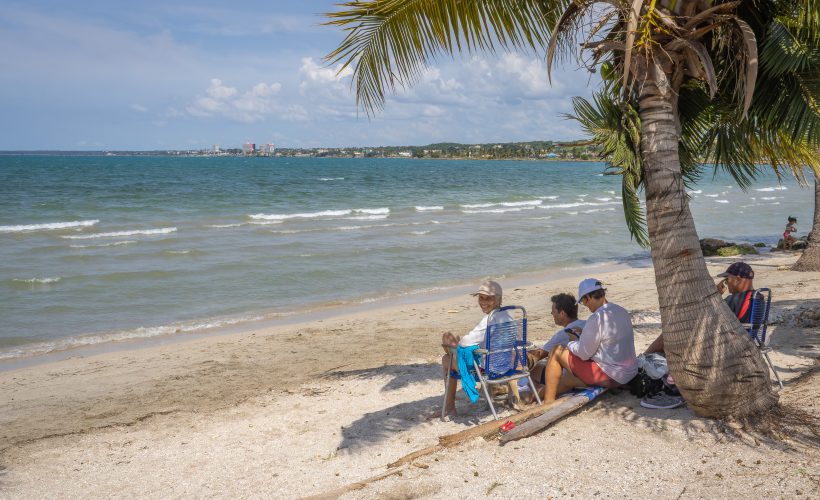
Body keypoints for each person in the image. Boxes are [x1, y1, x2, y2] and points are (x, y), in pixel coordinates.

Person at [542, 279, 638, 402]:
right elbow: (608, 340)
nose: (585, 305)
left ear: (587, 298)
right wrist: (584, 335)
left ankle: (548, 401)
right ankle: (536, 395)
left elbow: (583, 354)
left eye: (583, 301)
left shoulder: (596, 318)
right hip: (629, 372)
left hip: (611, 375)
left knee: (556, 351)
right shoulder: (621, 310)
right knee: (569, 379)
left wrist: (571, 342)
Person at [645, 261, 757, 354]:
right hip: (743, 339)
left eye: (727, 279)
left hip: (725, 342)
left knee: (668, 336)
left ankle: (644, 358)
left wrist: (715, 294)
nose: (726, 283)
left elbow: (707, 314)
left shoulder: (734, 300)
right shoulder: (757, 297)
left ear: (737, 279)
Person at [440, 280, 514, 417]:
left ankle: (449, 407)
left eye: (488, 298)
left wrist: (459, 344)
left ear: (498, 300)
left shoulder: (489, 319)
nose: (483, 302)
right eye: (481, 298)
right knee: (452, 344)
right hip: (507, 365)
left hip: (488, 369)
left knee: (446, 359)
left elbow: (466, 342)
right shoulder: (508, 316)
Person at [519, 293, 586, 397]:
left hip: (570, 376)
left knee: (534, 370)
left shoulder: (563, 334)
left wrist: (520, 355)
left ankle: (538, 391)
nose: (551, 313)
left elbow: (540, 354)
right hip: (586, 369)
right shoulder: (586, 323)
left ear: (562, 313)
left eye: (553, 311)